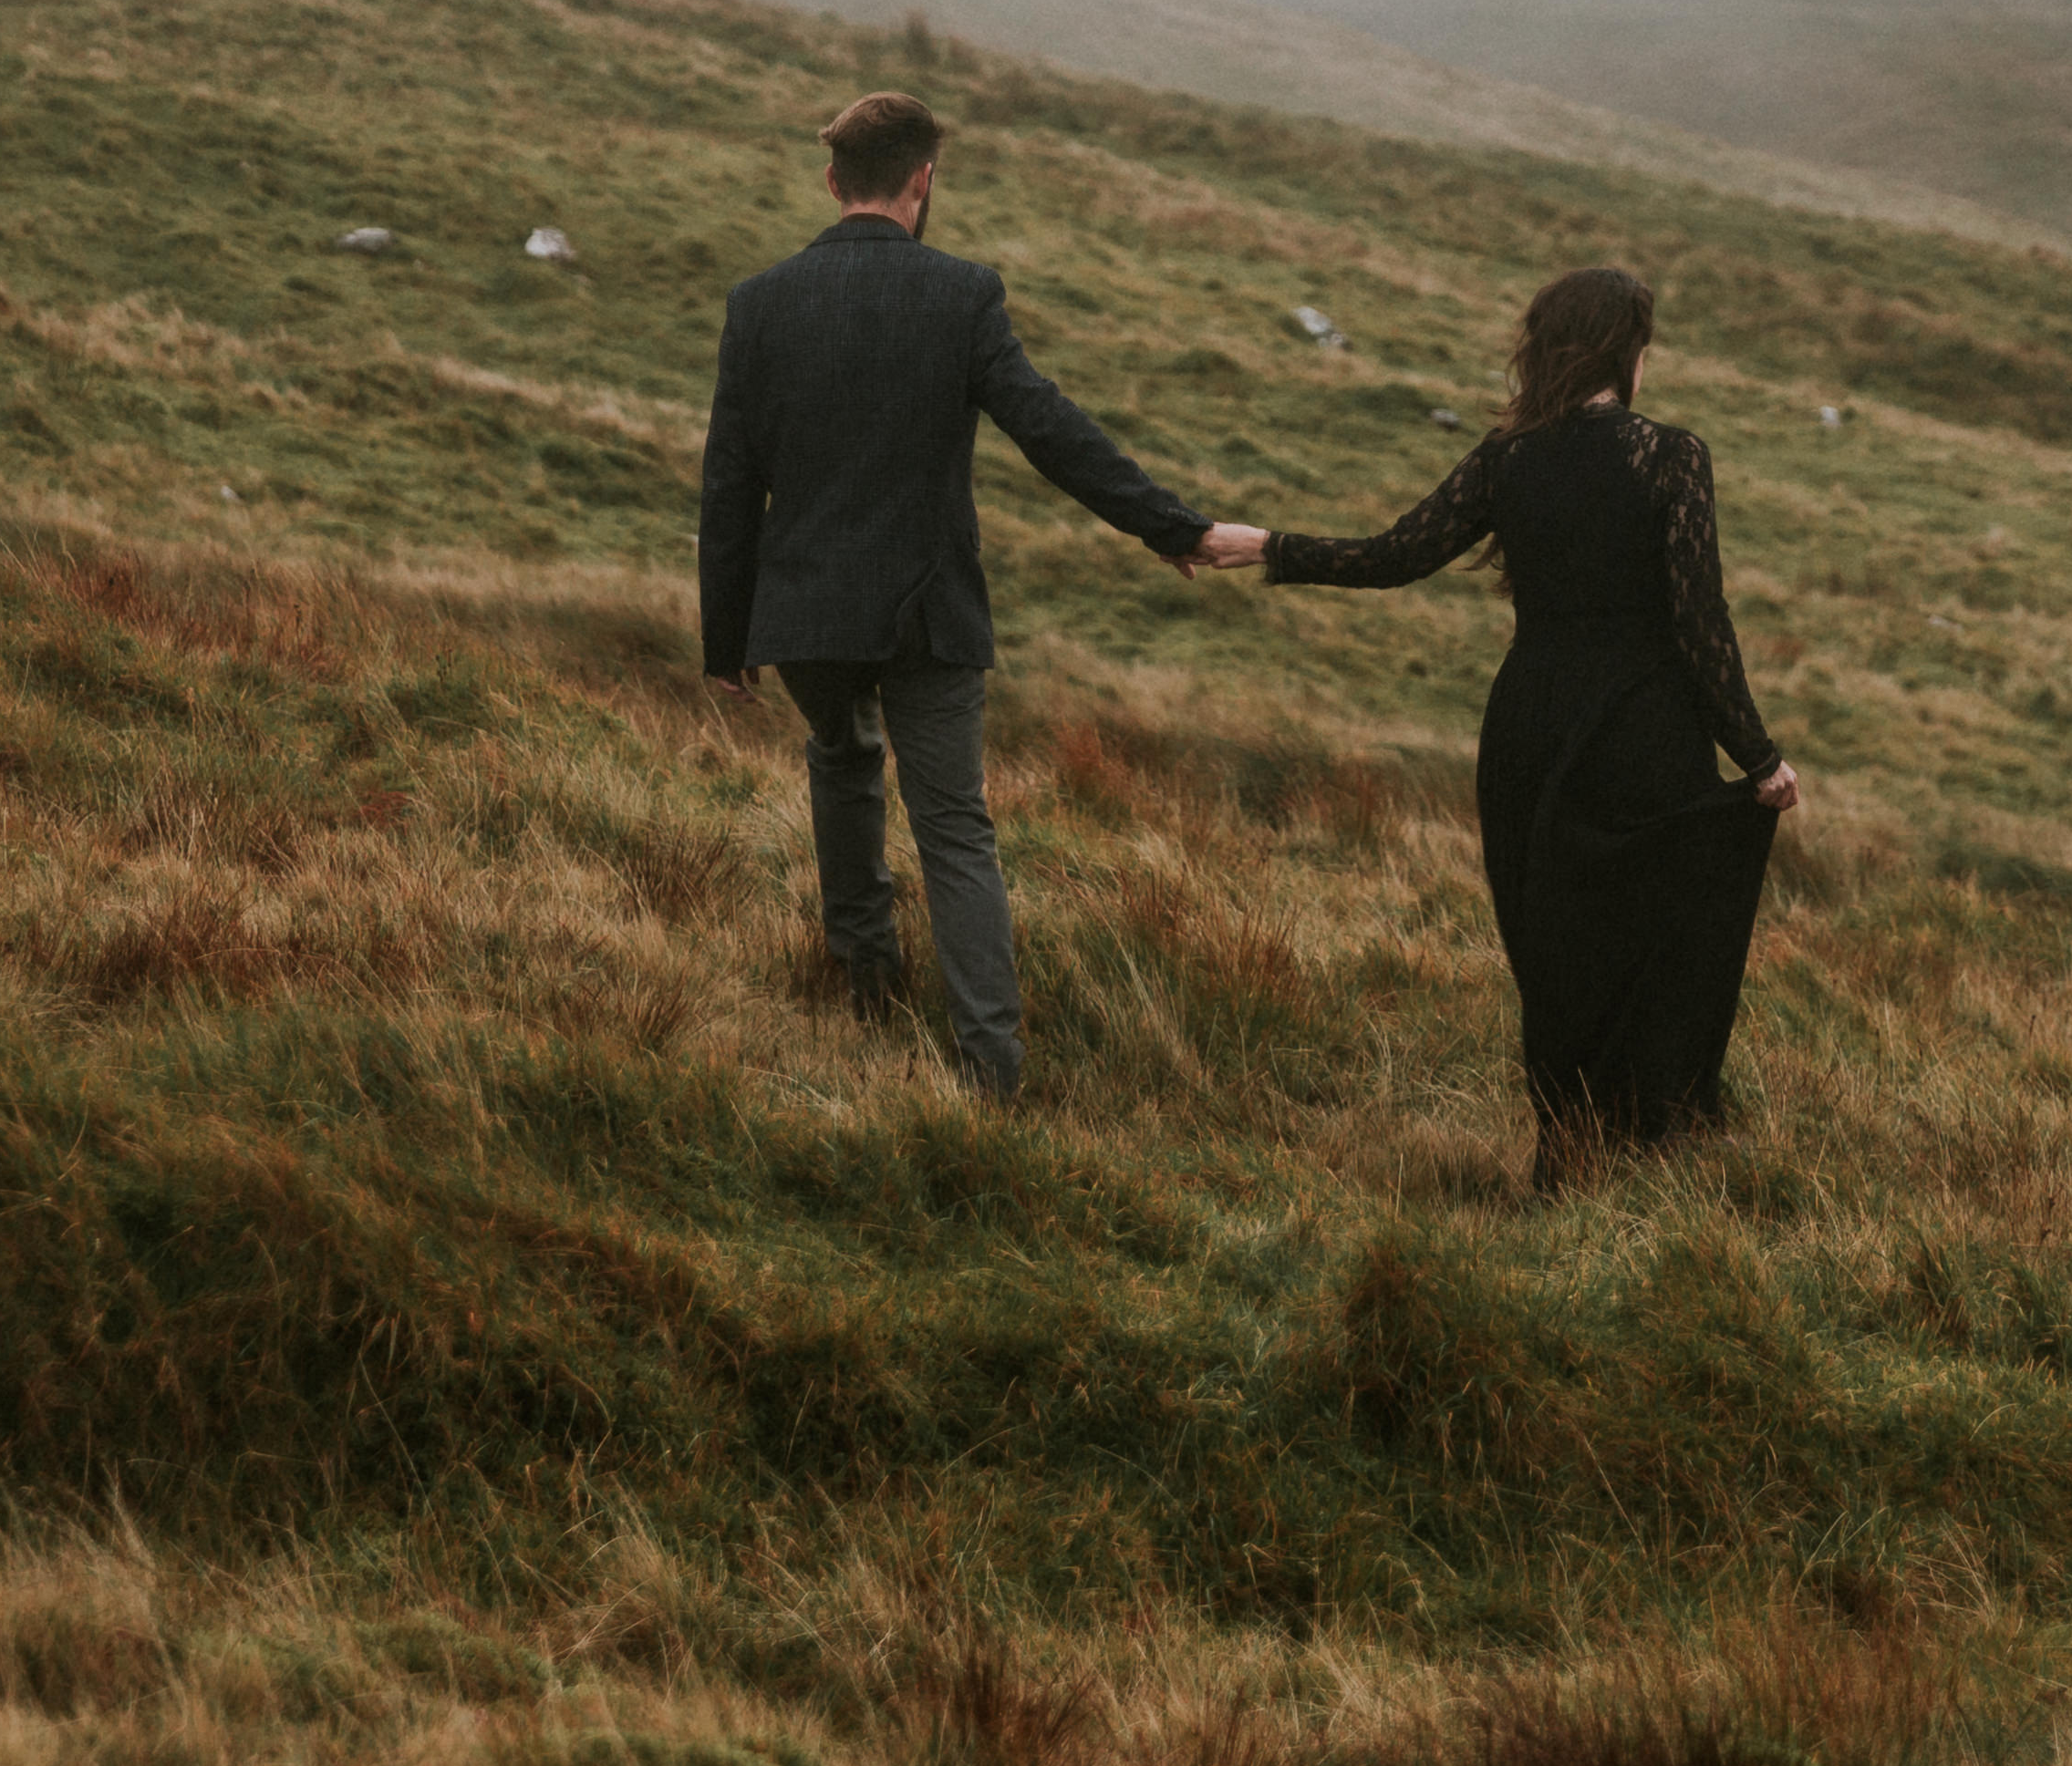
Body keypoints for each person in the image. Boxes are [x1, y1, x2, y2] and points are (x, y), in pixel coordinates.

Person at [1195, 266, 1799, 1185]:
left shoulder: (1507, 457)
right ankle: (1654, 1138)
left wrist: (1270, 546)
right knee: (1654, 932)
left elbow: (1395, 555)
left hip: (1530, 727)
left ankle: (1568, 1148)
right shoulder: (1670, 457)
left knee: (1553, 944)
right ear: (1626, 352)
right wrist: (1757, 757)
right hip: (1643, 729)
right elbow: (1698, 619)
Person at [699, 89, 1211, 1099]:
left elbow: (728, 484)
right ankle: (990, 1069)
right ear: (923, 181)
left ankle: (865, 981)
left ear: (832, 180)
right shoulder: (961, 293)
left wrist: (727, 640)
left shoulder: (758, 303)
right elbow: (1050, 430)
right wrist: (1169, 526)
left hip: (805, 614)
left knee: (841, 758)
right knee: (953, 828)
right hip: (927, 613)